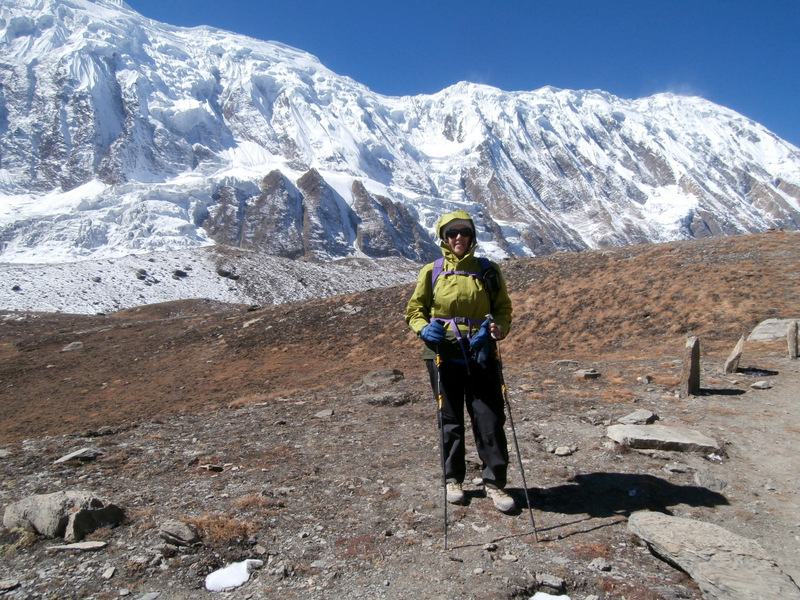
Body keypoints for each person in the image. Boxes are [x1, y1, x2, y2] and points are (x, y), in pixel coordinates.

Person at [405, 209, 515, 512]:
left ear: (472, 236)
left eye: (464, 232)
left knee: (489, 417)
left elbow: (503, 308)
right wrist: (423, 329)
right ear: (443, 237)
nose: (458, 238)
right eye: (452, 233)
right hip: (443, 353)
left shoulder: (488, 269)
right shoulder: (432, 271)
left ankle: (495, 483)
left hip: (482, 352)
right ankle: (453, 479)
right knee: (450, 417)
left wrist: (497, 329)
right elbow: (415, 310)